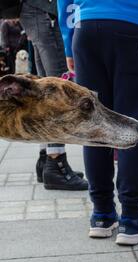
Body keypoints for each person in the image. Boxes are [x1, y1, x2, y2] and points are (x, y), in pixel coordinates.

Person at [58, 0, 138, 245]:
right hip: (135, 29)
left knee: (95, 124)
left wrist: (69, 41)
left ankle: (102, 213)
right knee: (135, 123)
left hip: (86, 29)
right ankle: (132, 217)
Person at [19, 0, 88, 191]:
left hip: (35, 11)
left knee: (43, 86)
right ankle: (55, 162)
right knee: (56, 89)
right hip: (44, 10)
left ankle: (45, 157)